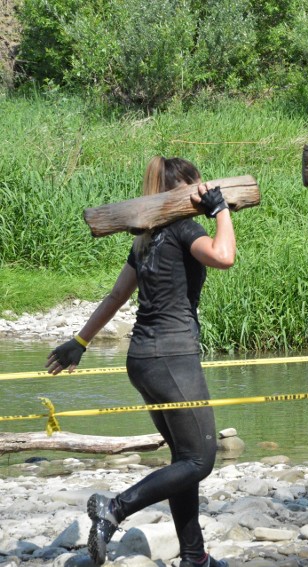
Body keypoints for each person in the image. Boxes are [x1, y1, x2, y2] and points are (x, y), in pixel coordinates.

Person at [45, 156, 235, 567]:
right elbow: (224, 256)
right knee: (200, 460)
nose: (204, 189)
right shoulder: (185, 228)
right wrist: (220, 211)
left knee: (183, 458)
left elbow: (117, 296)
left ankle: (194, 557)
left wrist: (80, 341)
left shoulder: (145, 238)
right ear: (183, 189)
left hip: (143, 360)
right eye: (199, 185)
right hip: (172, 358)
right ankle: (114, 509)